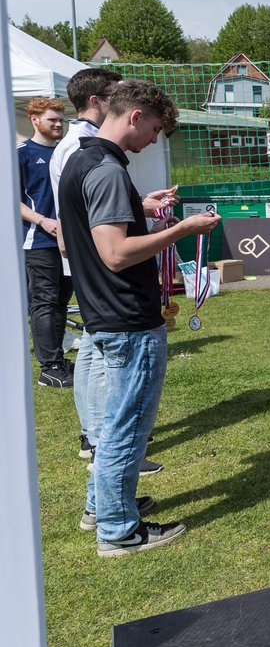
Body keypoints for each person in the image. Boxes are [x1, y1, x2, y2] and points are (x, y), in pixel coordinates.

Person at [58, 80, 221, 555]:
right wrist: (184, 229)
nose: (154, 139)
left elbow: (88, 232)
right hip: (126, 318)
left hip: (103, 313)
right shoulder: (106, 169)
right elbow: (115, 252)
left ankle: (101, 506)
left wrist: (140, 205)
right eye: (154, 128)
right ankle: (118, 529)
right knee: (127, 427)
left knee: (113, 425)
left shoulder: (81, 160)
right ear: (134, 116)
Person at [51, 69, 122, 458]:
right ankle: (98, 438)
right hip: (93, 258)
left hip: (83, 254)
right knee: (99, 352)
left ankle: (92, 435)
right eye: (115, 95)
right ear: (96, 101)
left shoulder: (75, 142)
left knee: (93, 349)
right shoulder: (83, 143)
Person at [19, 97, 74, 388]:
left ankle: (58, 359)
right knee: (44, 302)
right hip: (39, 241)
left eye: (60, 119)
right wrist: (42, 220)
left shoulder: (66, 152)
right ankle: (49, 367)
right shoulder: (21, 153)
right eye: (52, 119)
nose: (58, 124)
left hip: (69, 240)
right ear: (34, 120)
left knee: (61, 302)